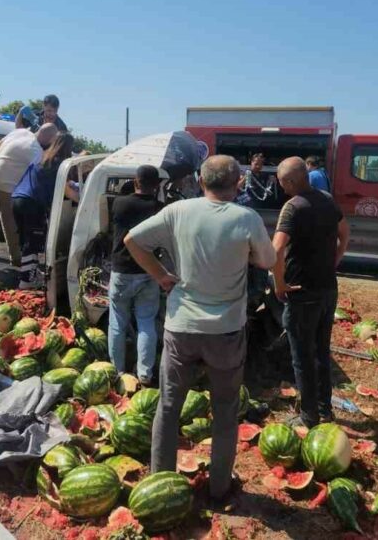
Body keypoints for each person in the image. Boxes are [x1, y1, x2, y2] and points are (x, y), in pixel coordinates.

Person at [124, 155, 276, 503]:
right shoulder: (246, 218)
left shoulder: (179, 211)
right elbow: (267, 260)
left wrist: (161, 275)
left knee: (168, 406)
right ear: (238, 182)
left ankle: (160, 486)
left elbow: (132, 240)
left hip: (182, 327)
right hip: (226, 332)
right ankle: (219, 490)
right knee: (224, 411)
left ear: (202, 181)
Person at [272, 157, 349, 428]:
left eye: (282, 183)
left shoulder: (293, 207)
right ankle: (325, 409)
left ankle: (309, 416)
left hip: (302, 291)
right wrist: (335, 260)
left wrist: (279, 283)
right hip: (328, 288)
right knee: (321, 351)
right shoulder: (327, 199)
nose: (281, 188)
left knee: (302, 357)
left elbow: (276, 249)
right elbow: (345, 232)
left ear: (292, 181)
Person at [107, 165, 164, 386]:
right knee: (146, 323)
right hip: (148, 271)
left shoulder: (119, 203)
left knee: (117, 323)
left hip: (121, 271)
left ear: (135, 181)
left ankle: (117, 372)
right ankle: (145, 375)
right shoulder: (159, 208)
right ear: (157, 185)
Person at [11, 132, 77, 288]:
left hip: (17, 198)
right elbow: (68, 191)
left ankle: (30, 274)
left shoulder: (42, 158)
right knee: (33, 240)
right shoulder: (59, 163)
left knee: (26, 240)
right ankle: (26, 281)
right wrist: (83, 201)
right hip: (32, 203)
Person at [0, 107, 43, 265]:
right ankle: (15, 257)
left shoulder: (19, 132)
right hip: (4, 181)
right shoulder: (36, 149)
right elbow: (39, 172)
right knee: (9, 219)